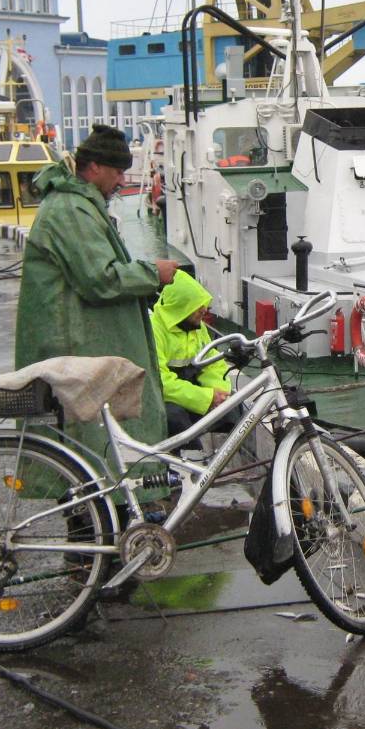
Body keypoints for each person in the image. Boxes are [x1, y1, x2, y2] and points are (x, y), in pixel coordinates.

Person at [15, 123, 178, 494]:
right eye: (117, 171)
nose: (121, 180)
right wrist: (153, 273)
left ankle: (102, 513)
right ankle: (97, 518)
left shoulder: (77, 205)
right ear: (94, 168)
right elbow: (100, 278)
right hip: (75, 345)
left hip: (81, 343)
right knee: (86, 441)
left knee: (93, 442)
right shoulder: (71, 209)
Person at [150, 270, 233, 440]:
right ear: (181, 307)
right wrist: (206, 397)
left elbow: (213, 363)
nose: (204, 310)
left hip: (190, 391)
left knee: (233, 409)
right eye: (197, 306)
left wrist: (220, 391)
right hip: (165, 397)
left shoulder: (196, 327)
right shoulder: (154, 331)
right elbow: (161, 383)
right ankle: (186, 453)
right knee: (175, 417)